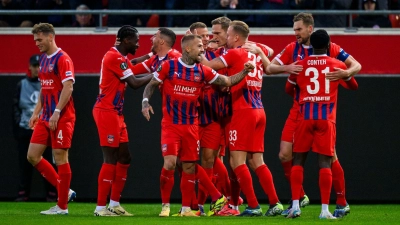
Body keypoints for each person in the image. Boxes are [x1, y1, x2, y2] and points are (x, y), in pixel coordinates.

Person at [141, 34, 255, 217]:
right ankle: (165, 205)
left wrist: (245, 72)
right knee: (170, 163)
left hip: (191, 126)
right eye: (199, 46)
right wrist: (145, 102)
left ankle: (187, 209)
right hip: (171, 125)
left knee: (188, 167)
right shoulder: (169, 66)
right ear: (187, 49)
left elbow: (227, 81)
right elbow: (152, 84)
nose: (203, 49)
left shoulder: (203, 71)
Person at [267, 12, 361, 217]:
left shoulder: (331, 48)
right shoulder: (293, 48)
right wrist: (287, 67)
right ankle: (302, 200)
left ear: (310, 29)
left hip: (308, 110)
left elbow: (356, 65)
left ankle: (341, 201)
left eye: (299, 29)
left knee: (322, 157)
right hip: (305, 110)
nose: (296, 34)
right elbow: (270, 67)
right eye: (294, 29)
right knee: (286, 154)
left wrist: (346, 72)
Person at [201, 20, 283, 217]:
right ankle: (275, 203)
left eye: (228, 35)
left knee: (237, 161)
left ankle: (253, 206)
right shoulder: (255, 51)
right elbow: (270, 51)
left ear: (236, 37)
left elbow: (209, 66)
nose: (225, 39)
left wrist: (197, 49)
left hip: (242, 111)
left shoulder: (235, 53)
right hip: (259, 110)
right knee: (257, 161)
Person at [286, 29, 359, 219]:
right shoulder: (336, 65)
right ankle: (325, 210)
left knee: (298, 160)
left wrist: (305, 93)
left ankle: (295, 206)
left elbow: (288, 89)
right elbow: (354, 86)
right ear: (328, 45)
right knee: (325, 162)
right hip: (326, 119)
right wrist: (345, 75)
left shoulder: (300, 65)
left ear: (311, 46)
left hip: (304, 117)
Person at [92, 25, 152, 216]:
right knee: (110, 158)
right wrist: (160, 73)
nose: (138, 44)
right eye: (136, 40)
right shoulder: (114, 57)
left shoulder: (120, 57)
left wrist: (149, 57)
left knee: (125, 157)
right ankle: (100, 208)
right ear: (126, 40)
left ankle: (114, 204)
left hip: (116, 113)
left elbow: (130, 64)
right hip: (106, 111)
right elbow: (134, 83)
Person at [27, 23, 76, 215]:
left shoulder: (63, 59)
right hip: (46, 116)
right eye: (35, 40)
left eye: (39, 40)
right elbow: (44, 88)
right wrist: (35, 112)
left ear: (50, 37)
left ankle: (62, 207)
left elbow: (68, 87)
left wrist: (56, 111)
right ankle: (66, 190)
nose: (37, 43)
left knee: (60, 158)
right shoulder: (43, 59)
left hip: (62, 116)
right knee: (32, 155)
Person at [13, 54, 57, 202]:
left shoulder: (48, 83)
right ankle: (23, 193)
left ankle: (53, 193)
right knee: (25, 163)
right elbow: (15, 107)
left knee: (49, 162)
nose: (37, 69)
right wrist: (20, 123)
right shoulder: (22, 84)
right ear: (29, 67)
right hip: (25, 128)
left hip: (45, 127)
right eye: (34, 66)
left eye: (40, 66)